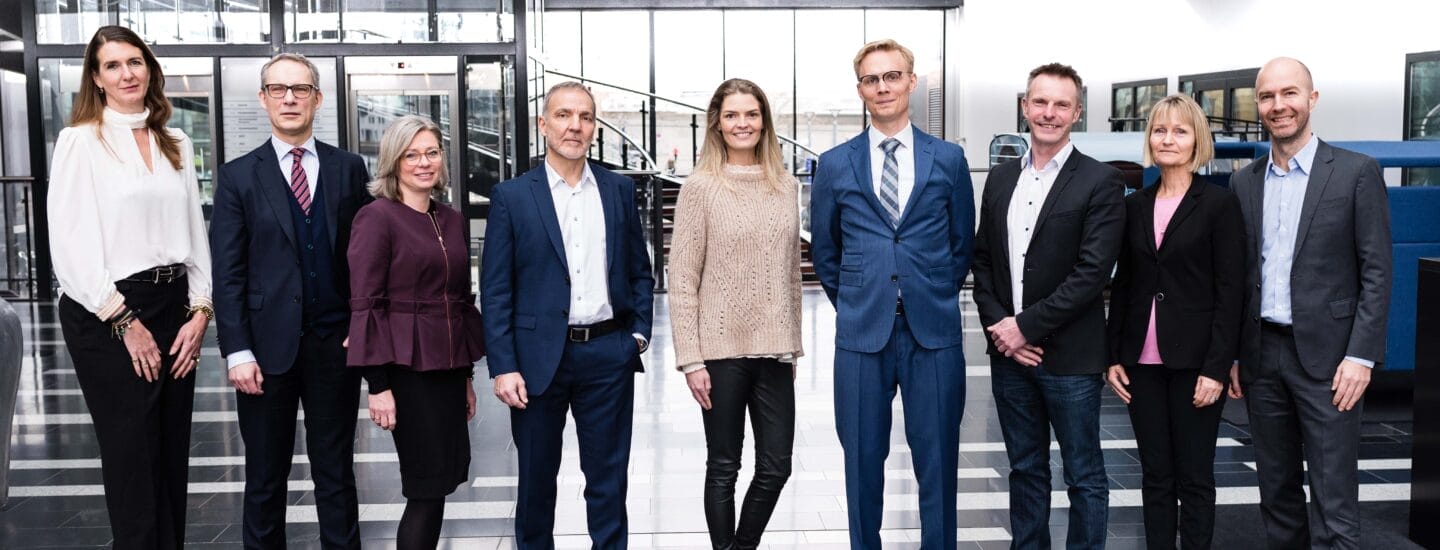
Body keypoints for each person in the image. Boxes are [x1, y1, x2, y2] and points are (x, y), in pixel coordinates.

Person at [49, 25, 212, 549]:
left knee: (170, 453)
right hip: (107, 310)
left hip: (173, 304)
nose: (127, 73)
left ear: (149, 68)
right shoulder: (81, 141)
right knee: (132, 457)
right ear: (96, 79)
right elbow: (70, 245)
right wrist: (123, 320)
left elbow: (195, 233)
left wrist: (201, 311)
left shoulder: (176, 140)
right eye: (113, 65)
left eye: (135, 62)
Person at [809, 39, 974, 550]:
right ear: (860, 88)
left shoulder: (947, 158)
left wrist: (933, 291)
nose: (882, 87)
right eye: (871, 79)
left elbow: (962, 243)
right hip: (862, 335)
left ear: (911, 81)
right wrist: (860, 300)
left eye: (892, 76)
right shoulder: (835, 164)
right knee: (861, 460)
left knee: (938, 460)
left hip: (934, 332)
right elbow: (827, 251)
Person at [481, 81, 655, 550]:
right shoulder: (512, 197)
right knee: (536, 483)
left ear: (594, 128)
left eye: (584, 117)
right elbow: (495, 290)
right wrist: (503, 365)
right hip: (537, 363)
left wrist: (637, 336)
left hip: (607, 355)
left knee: (608, 481)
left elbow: (640, 269)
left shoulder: (618, 189)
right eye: (562, 115)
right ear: (543, 125)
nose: (574, 126)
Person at [1229, 57, 1392, 549]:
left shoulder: (1355, 173)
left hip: (1331, 362)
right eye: (1267, 97)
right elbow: (1241, 278)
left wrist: (1361, 356)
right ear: (1258, 105)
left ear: (1312, 99)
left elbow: (1378, 272)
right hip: (1262, 359)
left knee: (1333, 498)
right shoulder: (1244, 181)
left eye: (1289, 94)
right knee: (1275, 495)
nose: (1278, 106)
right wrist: (1236, 352)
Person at [210, 53, 372, 549]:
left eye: (300, 89)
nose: (289, 98)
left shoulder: (349, 168)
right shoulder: (238, 176)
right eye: (278, 89)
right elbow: (228, 271)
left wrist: (361, 328)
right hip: (264, 351)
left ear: (317, 99)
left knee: (336, 475)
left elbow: (363, 258)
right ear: (262, 99)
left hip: (333, 346)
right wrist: (236, 350)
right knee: (264, 477)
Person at [970, 62, 1124, 550]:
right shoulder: (998, 179)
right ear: (1024, 106)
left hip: (1071, 360)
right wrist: (1002, 330)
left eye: (1061, 104)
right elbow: (984, 261)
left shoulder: (1101, 182)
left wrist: (1024, 328)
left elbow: (1091, 274)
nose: (1049, 113)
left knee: (1083, 474)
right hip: (1011, 359)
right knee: (1024, 469)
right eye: (1040, 102)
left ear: (1076, 113)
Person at [1104, 94, 1244, 549]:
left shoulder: (1219, 204)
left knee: (1195, 476)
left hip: (1196, 364)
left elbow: (1231, 292)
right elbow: (1124, 285)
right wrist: (1113, 357)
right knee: (1155, 475)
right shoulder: (1135, 205)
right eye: (1160, 130)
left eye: (1179, 131)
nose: (1168, 139)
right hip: (1141, 363)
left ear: (1197, 140)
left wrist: (1217, 368)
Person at [669, 78, 803, 550]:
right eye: (731, 115)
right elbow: (682, 278)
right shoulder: (700, 188)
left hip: (773, 352)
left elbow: (789, 273)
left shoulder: (785, 186)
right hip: (719, 354)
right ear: (717, 124)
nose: (741, 123)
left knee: (776, 465)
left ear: (764, 121)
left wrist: (793, 347)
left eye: (750, 114)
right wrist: (692, 360)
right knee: (724, 466)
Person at [346, 115, 486, 549]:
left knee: (440, 484)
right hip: (406, 373)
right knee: (424, 488)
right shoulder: (377, 218)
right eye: (412, 154)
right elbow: (366, 303)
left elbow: (462, 298)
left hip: (447, 370)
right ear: (394, 161)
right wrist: (378, 386)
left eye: (431, 152)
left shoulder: (451, 218)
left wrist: (466, 378)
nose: (424, 162)